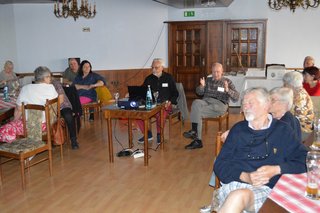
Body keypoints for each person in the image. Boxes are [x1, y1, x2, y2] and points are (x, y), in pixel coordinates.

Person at [211, 87, 307, 213]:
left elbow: (305, 160)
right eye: (244, 103)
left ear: (266, 105)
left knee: (238, 196)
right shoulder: (238, 130)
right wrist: (245, 177)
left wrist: (276, 169)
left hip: (265, 190)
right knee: (237, 195)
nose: (246, 106)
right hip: (234, 184)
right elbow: (220, 165)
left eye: (251, 102)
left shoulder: (282, 130)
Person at [183, 63, 239, 149]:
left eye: (218, 72)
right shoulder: (207, 80)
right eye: (213, 72)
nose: (216, 74)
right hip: (206, 101)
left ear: (222, 72)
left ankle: (197, 138)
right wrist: (202, 86)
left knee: (197, 113)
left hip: (220, 104)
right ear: (211, 72)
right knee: (196, 103)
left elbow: (236, 97)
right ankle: (195, 134)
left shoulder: (227, 81)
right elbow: (198, 92)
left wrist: (227, 90)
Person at [0, 66, 58, 143]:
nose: (50, 79)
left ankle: (22, 146)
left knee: (5, 129)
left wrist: (14, 121)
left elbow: (18, 109)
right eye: (49, 77)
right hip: (48, 124)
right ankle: (28, 146)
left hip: (29, 126)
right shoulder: (51, 88)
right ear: (45, 78)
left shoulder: (26, 88)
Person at [136, 58, 179, 144]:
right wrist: (132, 94)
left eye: (156, 67)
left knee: (160, 113)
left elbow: (175, 93)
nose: (154, 69)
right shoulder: (149, 78)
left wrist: (170, 101)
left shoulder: (168, 78)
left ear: (162, 68)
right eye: (152, 67)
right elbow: (142, 90)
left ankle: (159, 134)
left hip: (166, 104)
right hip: (151, 104)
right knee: (137, 113)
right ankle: (147, 134)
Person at [283, 71, 314, 141]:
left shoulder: (299, 97)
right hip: (298, 127)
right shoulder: (298, 92)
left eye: (285, 83)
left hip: (302, 130)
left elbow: (288, 116)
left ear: (290, 84)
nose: (283, 86)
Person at [52, 79, 79, 149]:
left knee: (68, 116)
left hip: (62, 105)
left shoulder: (55, 83)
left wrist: (55, 110)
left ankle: (73, 140)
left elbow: (61, 99)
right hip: (50, 107)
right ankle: (52, 139)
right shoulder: (40, 86)